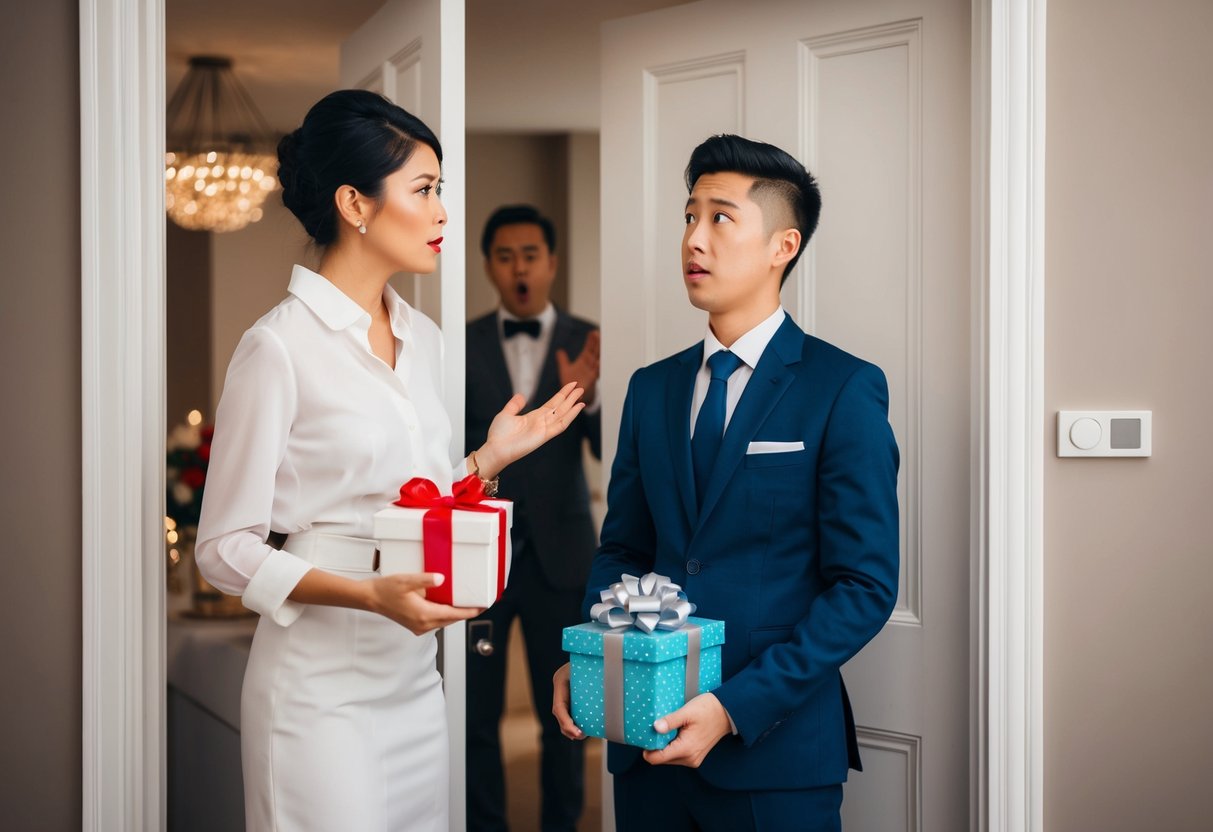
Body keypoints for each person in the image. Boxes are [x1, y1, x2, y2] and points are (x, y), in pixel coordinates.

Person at [195, 90, 586, 832]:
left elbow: (411, 505)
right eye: (425, 190)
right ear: (355, 204)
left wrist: (485, 462)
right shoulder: (277, 347)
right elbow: (223, 551)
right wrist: (368, 596)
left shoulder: (425, 338)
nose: (443, 213)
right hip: (318, 695)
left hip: (413, 686)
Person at [552, 134, 900, 831]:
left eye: (719, 217)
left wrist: (732, 706)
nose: (694, 239)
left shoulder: (843, 388)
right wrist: (593, 652)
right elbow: (623, 548)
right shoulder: (650, 389)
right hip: (642, 744)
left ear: (782, 246)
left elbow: (864, 587)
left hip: (773, 757)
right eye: (688, 217)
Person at [464, 205, 601, 831]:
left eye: (530, 254)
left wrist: (589, 397)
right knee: (476, 715)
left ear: (551, 262)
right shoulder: (458, 343)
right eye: (505, 255)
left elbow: (609, 446)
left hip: (562, 555)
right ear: (490, 265)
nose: (519, 267)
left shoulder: (590, 336)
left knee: (566, 713)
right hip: (479, 555)